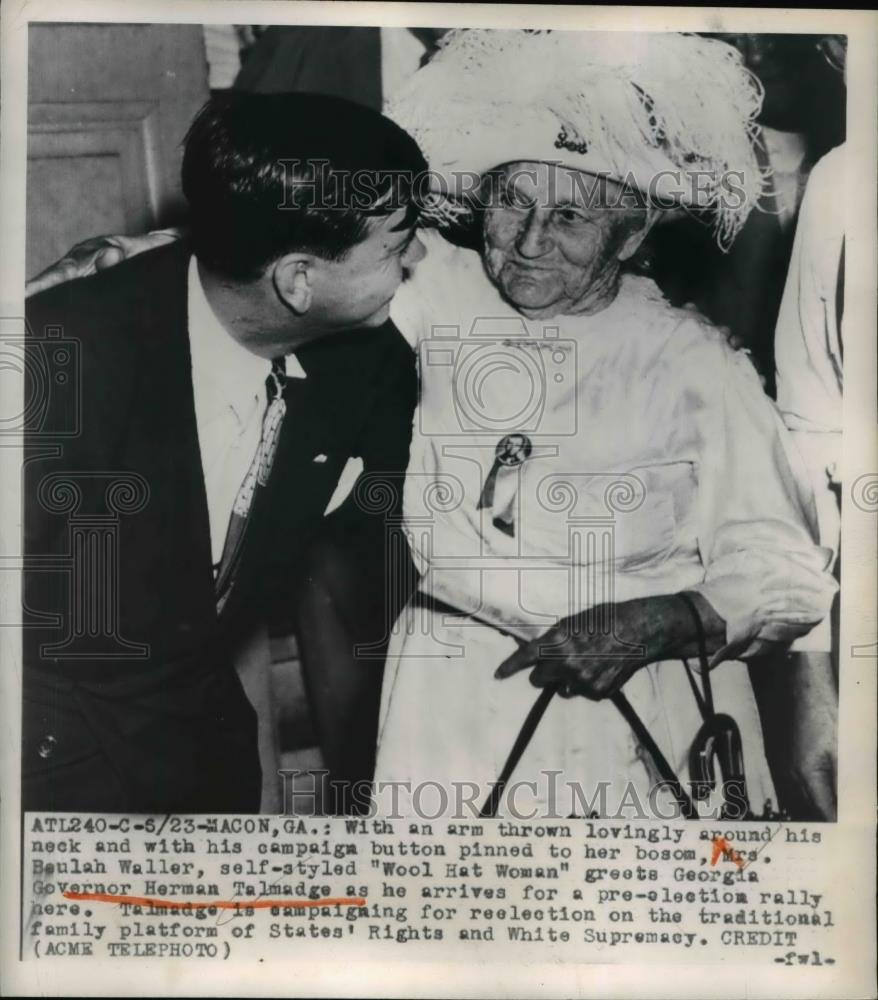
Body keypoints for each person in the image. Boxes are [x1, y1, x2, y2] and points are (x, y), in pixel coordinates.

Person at [369, 29, 838, 818]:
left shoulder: (688, 362)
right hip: (451, 698)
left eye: (570, 218)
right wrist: (127, 254)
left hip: (638, 705)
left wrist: (666, 618)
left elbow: (786, 569)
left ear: (630, 234)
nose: (527, 242)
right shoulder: (436, 296)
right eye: (512, 201)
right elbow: (304, 247)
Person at [23, 91, 425, 813]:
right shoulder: (61, 360)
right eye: (397, 246)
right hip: (44, 763)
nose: (418, 257)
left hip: (204, 755)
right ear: (298, 280)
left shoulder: (366, 362)